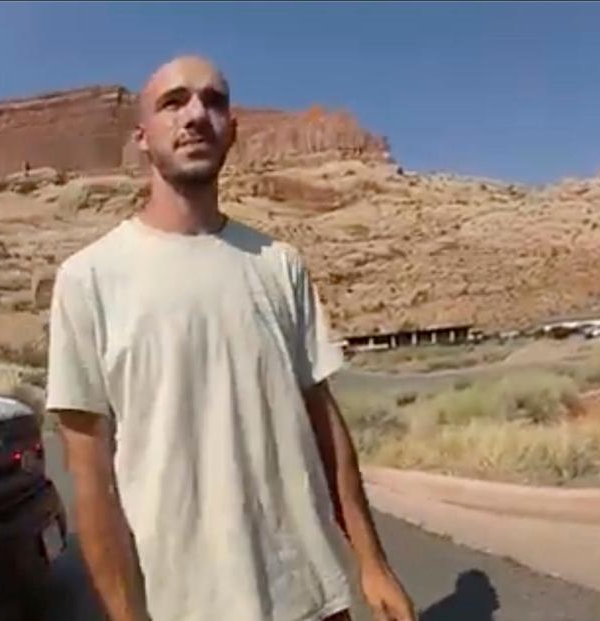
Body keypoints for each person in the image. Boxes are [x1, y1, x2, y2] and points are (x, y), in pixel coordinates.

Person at [46, 55, 415, 621]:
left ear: (232, 130)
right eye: (174, 102)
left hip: (313, 597)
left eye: (213, 101)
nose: (196, 115)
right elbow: (90, 475)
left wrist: (373, 563)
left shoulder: (278, 264)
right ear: (143, 137)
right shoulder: (89, 279)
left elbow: (324, 424)